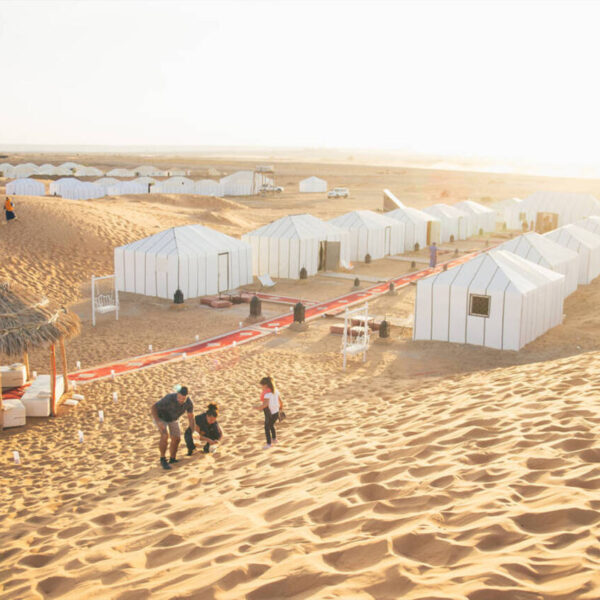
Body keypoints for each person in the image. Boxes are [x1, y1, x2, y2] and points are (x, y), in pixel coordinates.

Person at [150, 385, 194, 470]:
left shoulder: (189, 403)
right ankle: (163, 459)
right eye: (179, 398)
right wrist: (158, 421)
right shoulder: (169, 398)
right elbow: (153, 407)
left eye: (183, 399)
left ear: (187, 397)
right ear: (177, 394)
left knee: (177, 438)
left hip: (173, 418)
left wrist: (192, 430)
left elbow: (191, 417)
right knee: (165, 435)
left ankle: (172, 459)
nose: (181, 400)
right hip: (161, 417)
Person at [257, 376, 282, 450]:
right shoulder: (276, 391)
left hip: (269, 413)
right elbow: (280, 401)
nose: (261, 387)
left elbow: (265, 404)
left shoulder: (267, 394)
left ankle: (269, 444)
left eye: (262, 386)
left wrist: (257, 408)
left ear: (266, 385)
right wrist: (280, 408)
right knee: (271, 425)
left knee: (266, 428)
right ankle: (274, 439)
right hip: (276, 412)